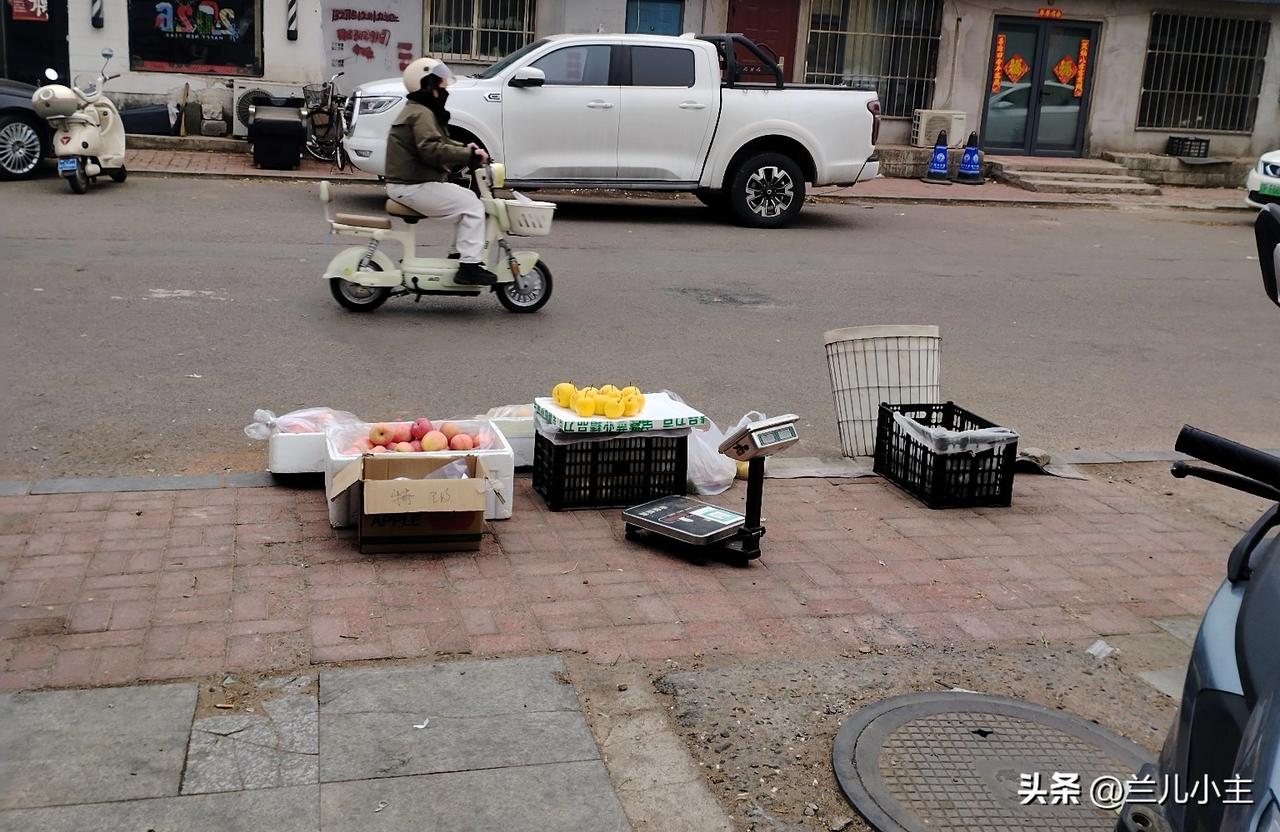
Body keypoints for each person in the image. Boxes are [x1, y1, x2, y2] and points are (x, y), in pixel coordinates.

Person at [384, 57, 497, 286]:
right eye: (440, 85)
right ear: (426, 85)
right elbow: (431, 149)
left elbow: (440, 142)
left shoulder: (419, 111)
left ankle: (459, 256)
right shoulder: (421, 114)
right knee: (474, 207)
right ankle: (468, 267)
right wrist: (469, 156)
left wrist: (467, 149)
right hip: (412, 185)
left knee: (468, 198)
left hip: (412, 183)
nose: (444, 90)